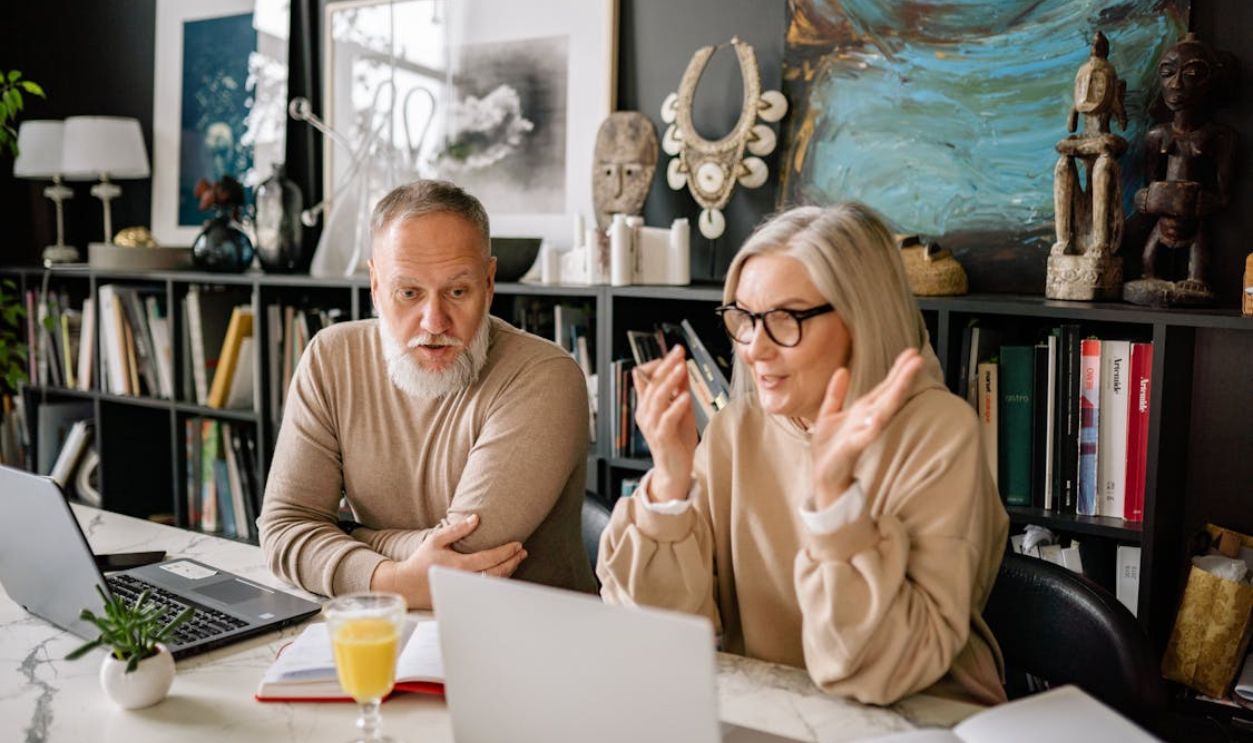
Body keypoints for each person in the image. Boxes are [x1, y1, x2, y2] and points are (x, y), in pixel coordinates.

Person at [597, 203, 1009, 706]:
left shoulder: (940, 435)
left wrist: (835, 500)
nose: (754, 348)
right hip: (778, 714)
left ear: (862, 317)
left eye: (786, 319)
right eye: (744, 318)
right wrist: (669, 482)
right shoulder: (735, 429)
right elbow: (657, 636)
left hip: (919, 720)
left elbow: (878, 671)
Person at [260, 180, 596, 608]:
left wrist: (346, 534)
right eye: (409, 293)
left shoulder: (545, 377)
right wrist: (395, 580)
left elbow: (461, 561)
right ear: (376, 287)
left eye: (457, 291)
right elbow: (284, 528)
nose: (434, 322)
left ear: (489, 283)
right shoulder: (330, 358)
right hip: (388, 625)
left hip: (530, 640)